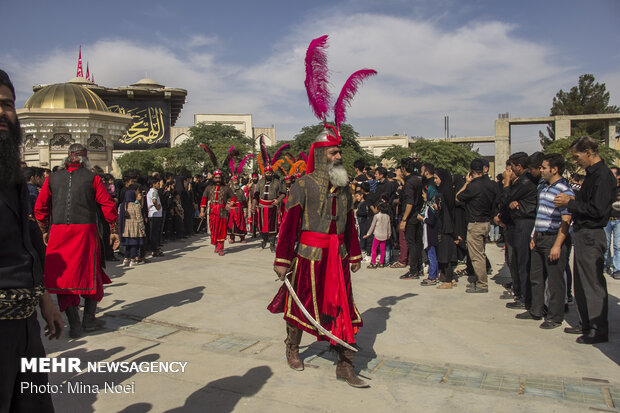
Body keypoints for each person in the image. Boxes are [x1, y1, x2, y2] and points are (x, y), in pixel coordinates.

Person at [268, 127, 366, 387]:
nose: (339, 157)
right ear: (322, 154)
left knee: (342, 310)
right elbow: (289, 224)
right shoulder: (303, 184)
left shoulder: (345, 187)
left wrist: (354, 255)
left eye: (339, 152)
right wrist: (282, 259)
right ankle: (292, 348)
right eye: (334, 152)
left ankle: (345, 365)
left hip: (338, 257)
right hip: (309, 257)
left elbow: (349, 221)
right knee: (300, 305)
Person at [0, 69, 64, 413]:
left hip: (25, 326)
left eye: (6, 104)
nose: (1, 112)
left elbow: (28, 247)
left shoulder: (11, 175)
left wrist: (46, 300)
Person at [34, 143, 118, 338]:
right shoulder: (93, 178)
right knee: (91, 274)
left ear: (67, 157)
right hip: (85, 233)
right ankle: (88, 319)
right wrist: (113, 229)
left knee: (65, 280)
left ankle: (75, 325)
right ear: (84, 159)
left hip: (58, 233)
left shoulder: (52, 178)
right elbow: (107, 204)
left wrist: (44, 229)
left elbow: (40, 208)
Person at [554, 136, 616, 344]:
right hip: (582, 232)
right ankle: (586, 323)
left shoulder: (603, 177)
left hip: (592, 233)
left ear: (589, 152)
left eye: (577, 156)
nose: (575, 161)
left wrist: (570, 203)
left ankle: (597, 329)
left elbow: (597, 210)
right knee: (581, 283)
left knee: (591, 283)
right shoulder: (591, 175)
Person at [516, 153, 573, 329]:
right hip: (539, 238)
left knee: (555, 280)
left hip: (553, 239)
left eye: (544, 167)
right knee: (536, 277)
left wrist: (557, 244)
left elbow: (566, 220)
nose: (541, 170)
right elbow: (541, 214)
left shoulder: (563, 190)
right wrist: (534, 235)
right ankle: (536, 310)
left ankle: (555, 317)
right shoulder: (546, 188)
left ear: (554, 170)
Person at [500, 152, 538, 308]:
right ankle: (521, 293)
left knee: (523, 262)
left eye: (512, 167)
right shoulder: (525, 181)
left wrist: (507, 183)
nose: (510, 170)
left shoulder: (524, 182)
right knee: (517, 260)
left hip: (524, 224)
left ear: (519, 167)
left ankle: (524, 297)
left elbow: (504, 200)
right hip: (519, 224)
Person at [455, 159, 498, 293]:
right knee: (481, 253)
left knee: (476, 256)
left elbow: (457, 197)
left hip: (475, 223)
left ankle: (482, 284)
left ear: (471, 171)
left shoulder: (473, 186)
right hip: (486, 222)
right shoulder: (491, 185)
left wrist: (466, 183)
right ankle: (481, 280)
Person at [399, 158, 424, 279]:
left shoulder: (409, 182)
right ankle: (418, 268)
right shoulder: (418, 179)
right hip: (418, 215)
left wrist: (404, 219)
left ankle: (413, 270)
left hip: (410, 216)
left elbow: (409, 203)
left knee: (412, 243)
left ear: (403, 169)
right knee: (418, 242)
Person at [200, 170, 233, 255]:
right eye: (216, 178)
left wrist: (229, 204)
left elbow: (233, 198)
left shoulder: (226, 188)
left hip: (222, 212)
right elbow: (204, 199)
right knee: (213, 229)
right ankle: (216, 245)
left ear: (222, 178)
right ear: (213, 178)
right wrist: (202, 211)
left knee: (221, 230)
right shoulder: (208, 188)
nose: (218, 179)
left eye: (219, 178)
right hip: (212, 212)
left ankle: (220, 248)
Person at [252, 166, 284, 252]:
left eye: (270, 173)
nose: (268, 174)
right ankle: (265, 239)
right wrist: (253, 206)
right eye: (267, 173)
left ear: (272, 173)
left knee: (272, 227)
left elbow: (283, 193)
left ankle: (272, 245)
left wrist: (278, 200)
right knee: (262, 227)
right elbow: (256, 194)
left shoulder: (277, 182)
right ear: (264, 173)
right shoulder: (260, 182)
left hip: (272, 207)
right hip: (262, 207)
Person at [119, 184, 146, 267]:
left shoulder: (121, 206)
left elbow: (119, 216)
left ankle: (126, 259)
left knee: (127, 244)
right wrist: (142, 228)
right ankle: (133, 259)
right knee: (134, 243)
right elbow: (139, 218)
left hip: (125, 227)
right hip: (135, 227)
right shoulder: (136, 206)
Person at [418, 188, 439, 285]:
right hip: (429, 234)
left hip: (431, 234)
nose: (422, 196)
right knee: (432, 255)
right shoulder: (429, 205)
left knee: (432, 256)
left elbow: (431, 221)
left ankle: (432, 276)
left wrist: (422, 218)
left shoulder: (431, 207)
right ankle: (433, 274)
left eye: (423, 194)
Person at [364, 201, 391, 268]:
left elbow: (372, 226)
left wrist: (368, 234)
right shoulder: (387, 216)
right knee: (382, 250)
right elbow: (389, 226)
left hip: (377, 235)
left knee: (374, 249)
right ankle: (381, 263)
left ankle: (373, 263)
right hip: (384, 235)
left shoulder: (376, 216)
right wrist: (389, 234)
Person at [147, 176, 164, 257]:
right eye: (158, 183)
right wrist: (157, 207)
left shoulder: (150, 191)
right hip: (155, 214)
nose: (159, 184)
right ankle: (154, 249)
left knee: (154, 232)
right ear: (153, 184)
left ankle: (154, 248)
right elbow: (154, 200)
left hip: (153, 214)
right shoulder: (154, 191)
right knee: (155, 233)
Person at [227, 175, 247, 243]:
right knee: (231, 224)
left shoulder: (241, 191)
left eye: (236, 180)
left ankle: (242, 238)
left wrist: (245, 211)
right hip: (231, 209)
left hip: (239, 210)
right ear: (232, 181)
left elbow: (244, 202)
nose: (235, 182)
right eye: (234, 180)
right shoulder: (228, 190)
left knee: (241, 224)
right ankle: (232, 238)